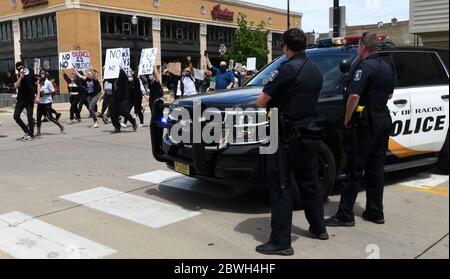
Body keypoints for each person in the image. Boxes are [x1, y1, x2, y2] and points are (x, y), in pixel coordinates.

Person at [255, 28, 328, 256]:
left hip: (286, 135)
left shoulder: (286, 68)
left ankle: (280, 242)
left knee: (281, 186)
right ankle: (319, 227)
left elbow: (260, 101)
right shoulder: (316, 69)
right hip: (310, 134)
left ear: (285, 46)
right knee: (310, 181)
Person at [325, 32, 395, 227]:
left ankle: (345, 215)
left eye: (358, 45)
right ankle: (375, 211)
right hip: (382, 119)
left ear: (363, 46)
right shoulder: (387, 67)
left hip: (365, 123)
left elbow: (354, 96)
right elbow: (389, 94)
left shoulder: (364, 67)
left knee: (354, 169)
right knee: (376, 169)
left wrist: (347, 119)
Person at [35, 70, 65, 137]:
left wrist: (44, 93)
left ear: (45, 74)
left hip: (47, 102)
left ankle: (61, 126)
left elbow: (53, 91)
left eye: (43, 73)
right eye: (41, 73)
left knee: (50, 117)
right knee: (38, 117)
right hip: (40, 102)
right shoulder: (39, 82)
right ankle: (38, 132)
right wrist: (37, 96)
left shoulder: (48, 82)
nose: (42, 74)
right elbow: (37, 91)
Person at [109, 67, 137, 133]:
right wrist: (107, 69)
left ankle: (133, 121)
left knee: (123, 111)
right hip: (114, 96)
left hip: (122, 97)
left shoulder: (122, 76)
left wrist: (121, 69)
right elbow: (108, 79)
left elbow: (124, 76)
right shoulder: (113, 76)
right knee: (112, 112)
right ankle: (117, 127)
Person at [12, 62, 35, 141]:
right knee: (16, 116)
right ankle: (26, 131)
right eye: (19, 68)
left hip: (29, 98)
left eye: (22, 67)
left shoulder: (30, 72)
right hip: (21, 99)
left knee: (29, 117)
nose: (21, 69)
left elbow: (37, 82)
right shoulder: (16, 76)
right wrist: (20, 77)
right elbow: (15, 86)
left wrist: (37, 95)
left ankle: (31, 134)